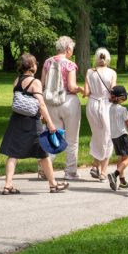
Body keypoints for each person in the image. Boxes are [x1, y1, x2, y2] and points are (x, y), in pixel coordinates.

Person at [0, 54, 67, 195]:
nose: (37, 65)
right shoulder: (35, 82)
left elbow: (21, 101)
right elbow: (41, 104)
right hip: (31, 123)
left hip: (16, 120)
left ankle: (8, 185)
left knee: (12, 153)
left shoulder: (17, 80)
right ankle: (53, 185)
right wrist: (50, 123)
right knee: (42, 153)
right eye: (36, 63)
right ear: (32, 66)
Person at [40, 36, 84, 179]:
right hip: (68, 101)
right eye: (72, 49)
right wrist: (81, 89)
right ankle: (70, 171)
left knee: (53, 135)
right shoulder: (70, 65)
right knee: (72, 139)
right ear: (68, 49)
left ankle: (44, 170)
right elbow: (71, 86)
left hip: (51, 102)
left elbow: (42, 84)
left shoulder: (47, 62)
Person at [83, 47, 117, 181]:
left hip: (92, 105)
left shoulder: (90, 72)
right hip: (106, 105)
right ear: (107, 58)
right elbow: (113, 92)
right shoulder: (112, 73)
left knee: (97, 135)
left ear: (96, 58)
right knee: (108, 137)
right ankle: (103, 171)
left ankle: (95, 165)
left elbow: (86, 92)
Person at [107, 85, 128, 191]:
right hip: (122, 135)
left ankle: (122, 181)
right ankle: (115, 174)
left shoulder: (110, 108)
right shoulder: (123, 110)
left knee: (120, 158)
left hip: (114, 136)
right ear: (121, 97)